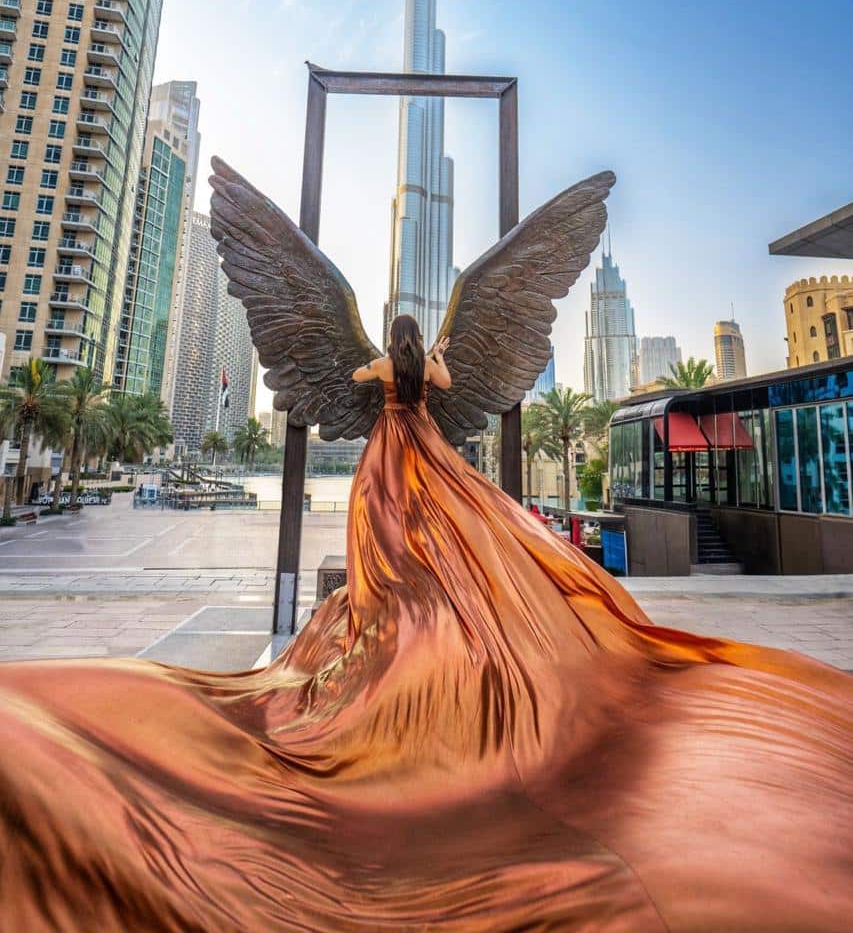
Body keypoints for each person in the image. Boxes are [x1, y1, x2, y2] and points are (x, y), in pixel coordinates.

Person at [0, 312, 850, 931]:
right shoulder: (428, 370)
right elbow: (441, 385)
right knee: (455, 535)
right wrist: (437, 356)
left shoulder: (376, 369)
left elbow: (356, 389)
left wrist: (382, 367)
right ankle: (430, 614)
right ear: (422, 344)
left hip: (386, 457)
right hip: (429, 451)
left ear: (386, 341)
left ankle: (389, 620)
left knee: (390, 550)